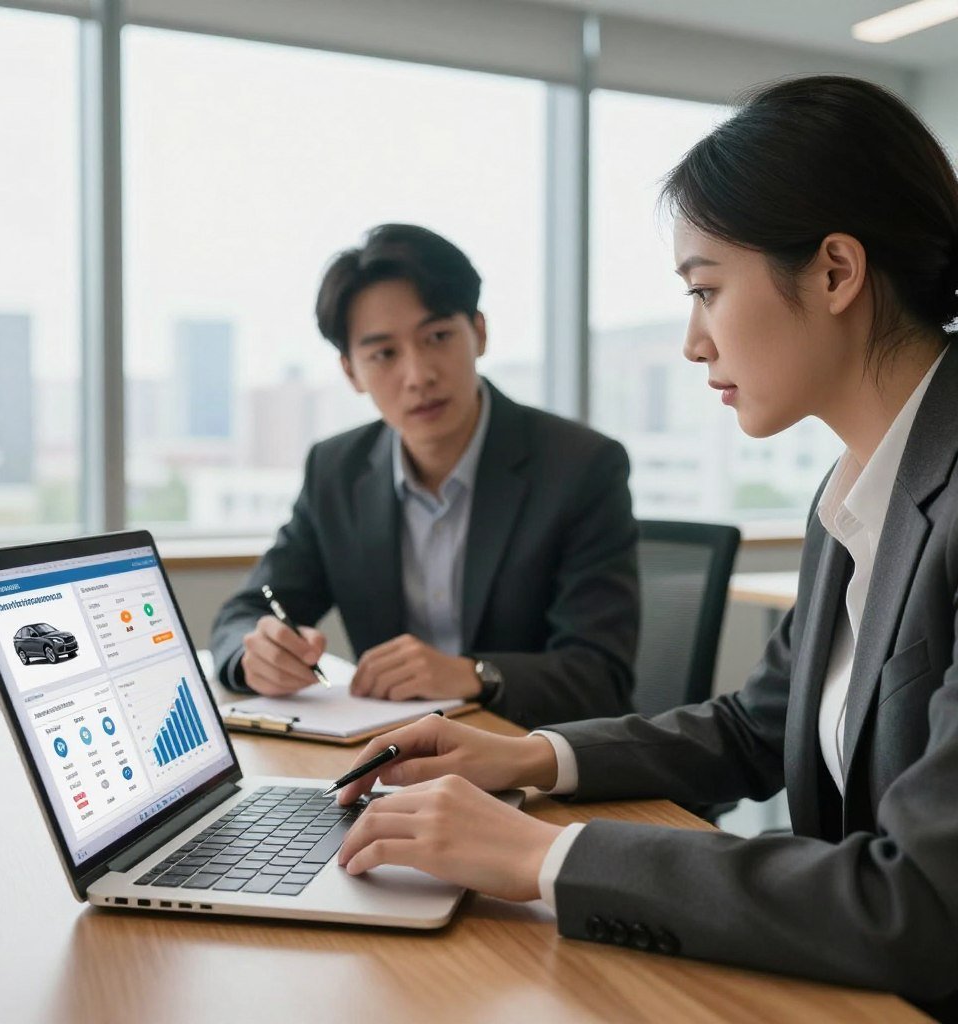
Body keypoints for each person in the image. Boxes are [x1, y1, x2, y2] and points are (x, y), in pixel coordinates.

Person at [329, 78, 958, 1019]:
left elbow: (927, 907)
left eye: (706, 289)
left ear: (835, 272)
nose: (693, 342)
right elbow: (757, 726)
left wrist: (538, 855)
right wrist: (529, 759)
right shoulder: (858, 487)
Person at [210, 224, 639, 729]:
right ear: (351, 371)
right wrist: (254, 654)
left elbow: (600, 675)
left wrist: (474, 674)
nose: (418, 375)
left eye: (437, 337)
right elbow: (252, 606)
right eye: (384, 354)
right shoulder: (337, 471)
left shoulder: (579, 466)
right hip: (393, 760)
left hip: (531, 761)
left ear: (478, 332)